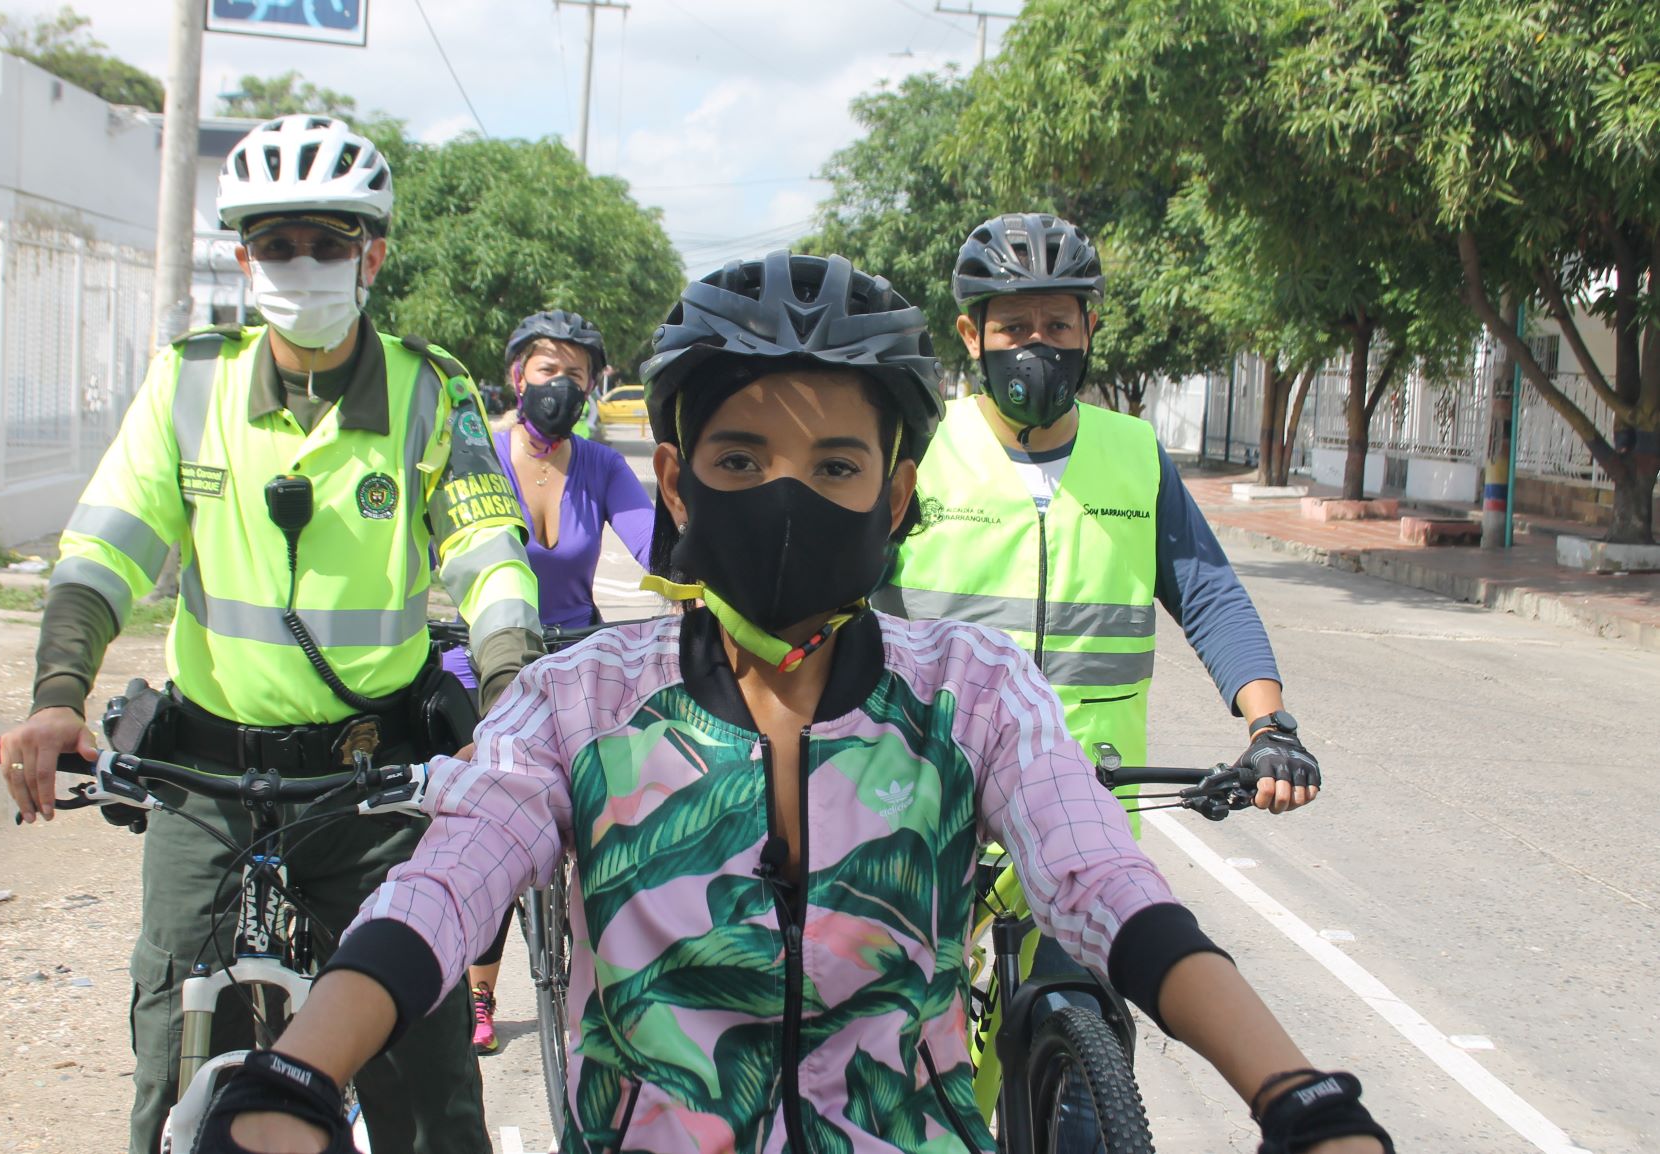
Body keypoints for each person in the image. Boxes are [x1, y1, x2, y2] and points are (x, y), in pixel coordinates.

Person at [188, 251, 1392, 1154]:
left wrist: (1292, 1090)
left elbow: (1109, 890)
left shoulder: (968, 694)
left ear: (896, 491)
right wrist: (300, 1073)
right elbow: (439, 893)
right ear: (675, 477)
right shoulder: (581, 701)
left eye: (833, 469)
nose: (784, 498)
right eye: (740, 460)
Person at [0, 114, 541, 1154]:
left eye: (328, 242)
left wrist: (507, 712)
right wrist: (58, 691)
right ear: (243, 258)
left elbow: (490, 557)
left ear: (370, 253)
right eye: (276, 243)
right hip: (204, 781)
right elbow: (105, 549)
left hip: (374, 784)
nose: (303, 264)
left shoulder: (431, 392)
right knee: (172, 1062)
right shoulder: (189, 383)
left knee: (425, 1088)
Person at [878, 212, 1321, 807]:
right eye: (1013, 327)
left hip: (1090, 818)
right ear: (971, 334)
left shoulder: (1136, 455)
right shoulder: (919, 449)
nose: (1037, 346)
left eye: (1058, 325)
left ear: (1089, 329)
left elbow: (1211, 596)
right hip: (925, 811)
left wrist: (1271, 727)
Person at [445, 309, 655, 1054]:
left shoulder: (601, 466)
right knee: (488, 823)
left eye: (575, 374)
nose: (559, 387)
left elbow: (657, 546)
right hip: (483, 662)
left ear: (594, 385)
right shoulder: (479, 457)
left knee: (616, 821)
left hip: (576, 661)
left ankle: (625, 978)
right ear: (515, 378)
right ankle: (477, 989)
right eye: (545, 370)